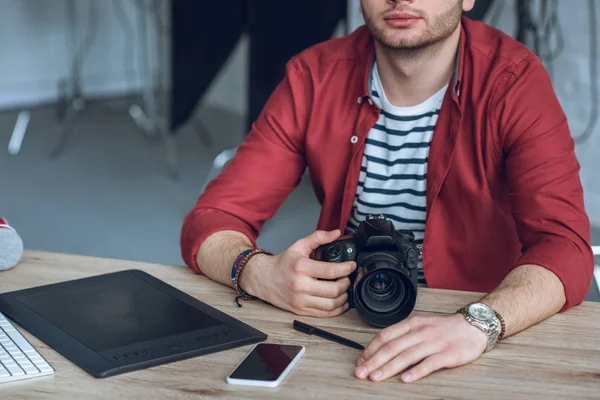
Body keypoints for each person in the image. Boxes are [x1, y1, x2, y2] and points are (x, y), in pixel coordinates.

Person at [181, 0, 593, 383]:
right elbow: (212, 220)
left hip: (475, 326)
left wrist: (478, 322)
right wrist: (257, 272)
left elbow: (564, 245)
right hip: (346, 320)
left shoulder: (514, 81)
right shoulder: (314, 75)